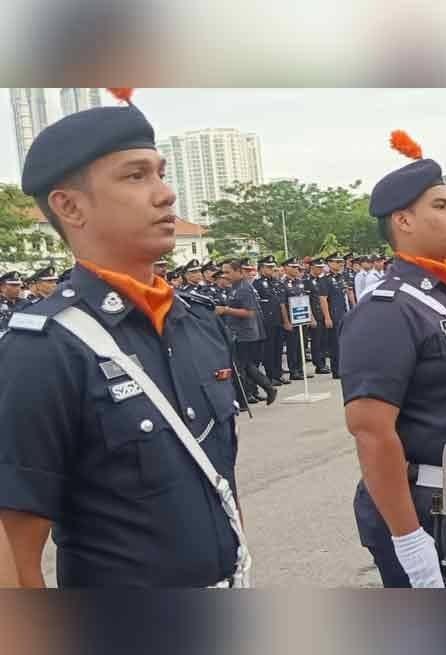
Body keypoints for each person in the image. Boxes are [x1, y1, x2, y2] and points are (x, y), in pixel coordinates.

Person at [0, 89, 247, 587]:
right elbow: (14, 553)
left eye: (161, 172)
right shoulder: (44, 349)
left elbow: (219, 483)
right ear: (70, 206)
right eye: (135, 176)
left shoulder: (194, 322)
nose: (165, 193)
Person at [341, 130, 446, 588]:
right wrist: (408, 537)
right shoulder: (388, 310)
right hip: (434, 513)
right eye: (440, 206)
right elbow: (371, 432)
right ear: (403, 221)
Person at [221, 258, 277, 407]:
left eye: (228, 272)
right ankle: (268, 388)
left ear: (239, 272)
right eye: (223, 272)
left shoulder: (244, 288)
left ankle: (244, 399)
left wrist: (225, 310)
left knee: (240, 367)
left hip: (245, 334)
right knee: (245, 366)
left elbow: (250, 312)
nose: (224, 275)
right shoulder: (234, 287)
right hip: (236, 332)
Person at [253, 255, 287, 386]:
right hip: (267, 322)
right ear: (260, 269)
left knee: (278, 349)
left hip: (278, 320)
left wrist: (285, 320)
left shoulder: (276, 282)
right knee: (269, 350)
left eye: (273, 267)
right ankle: (271, 376)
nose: (271, 269)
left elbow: (280, 302)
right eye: (268, 267)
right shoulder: (257, 284)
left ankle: (278, 374)